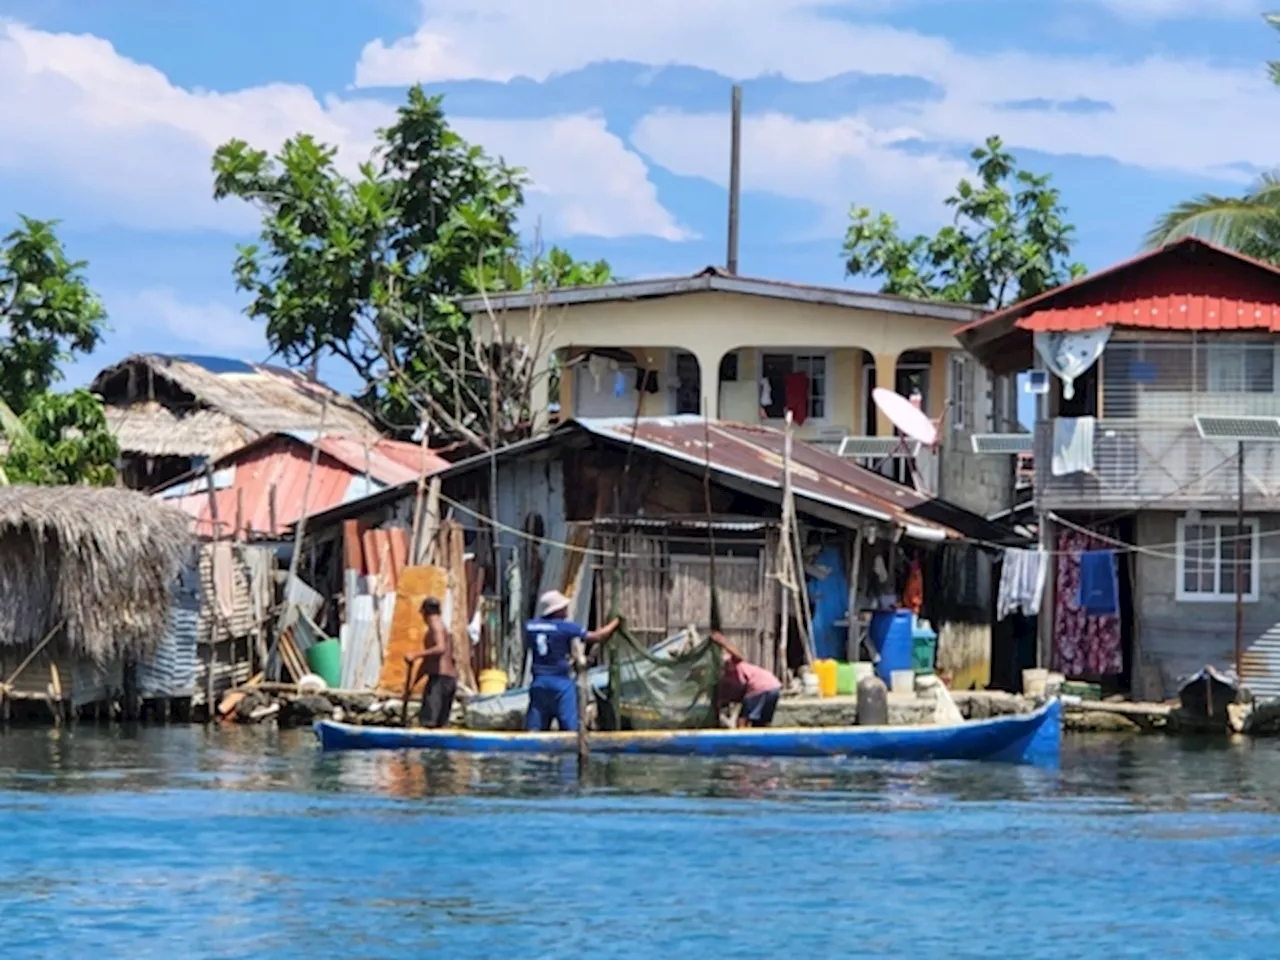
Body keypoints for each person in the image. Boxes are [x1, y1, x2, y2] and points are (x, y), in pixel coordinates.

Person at [525, 589, 620, 732]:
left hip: (538, 682)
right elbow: (595, 637)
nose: (566, 609)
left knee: (535, 729)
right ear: (556, 610)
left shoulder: (530, 627)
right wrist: (615, 623)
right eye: (564, 607)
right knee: (570, 729)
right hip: (560, 684)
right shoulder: (565, 627)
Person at [710, 630, 781, 727]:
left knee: (742, 720)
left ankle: (740, 740)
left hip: (760, 685)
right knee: (760, 722)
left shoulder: (728, 663)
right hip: (774, 686)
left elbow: (739, 656)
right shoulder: (724, 680)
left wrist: (723, 642)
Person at [404, 597, 456, 728]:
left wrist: (415, 654)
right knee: (439, 725)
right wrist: (413, 685)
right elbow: (427, 663)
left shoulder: (435, 625)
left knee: (429, 724)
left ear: (424, 613)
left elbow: (441, 648)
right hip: (448, 680)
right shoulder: (441, 627)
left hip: (439, 680)